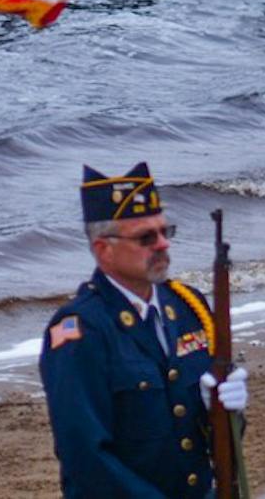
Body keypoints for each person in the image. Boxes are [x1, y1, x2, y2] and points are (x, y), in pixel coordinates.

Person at [39, 162, 249, 498]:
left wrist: (225, 411)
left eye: (166, 232)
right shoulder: (81, 331)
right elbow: (85, 458)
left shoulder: (186, 306)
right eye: (146, 237)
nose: (163, 245)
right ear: (103, 249)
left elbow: (210, 439)